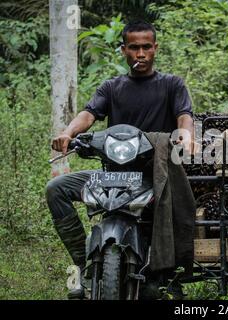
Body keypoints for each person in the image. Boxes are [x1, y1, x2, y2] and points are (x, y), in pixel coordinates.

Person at [46, 20, 194, 299]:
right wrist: (67, 133)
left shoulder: (172, 85)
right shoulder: (112, 87)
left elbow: (184, 116)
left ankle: (169, 273)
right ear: (123, 49)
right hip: (112, 175)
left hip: (153, 175)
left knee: (180, 203)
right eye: (134, 47)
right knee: (57, 188)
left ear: (155, 49)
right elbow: (88, 115)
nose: (141, 54)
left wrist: (186, 135)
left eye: (146, 47)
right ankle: (80, 260)